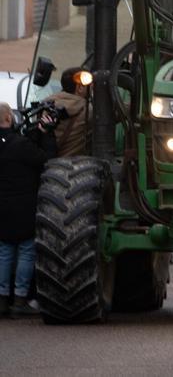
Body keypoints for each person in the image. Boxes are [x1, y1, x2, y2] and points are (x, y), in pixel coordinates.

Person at [0, 102, 54, 317]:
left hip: (1, 205)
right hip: (23, 205)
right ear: (8, 119)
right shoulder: (20, 144)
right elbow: (45, 161)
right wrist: (46, 135)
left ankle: (2, 300)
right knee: (25, 250)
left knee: (3, 252)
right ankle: (20, 299)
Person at [43, 67, 90, 157]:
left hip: (48, 166)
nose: (93, 88)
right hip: (72, 167)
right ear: (80, 88)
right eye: (91, 85)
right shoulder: (88, 111)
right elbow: (121, 110)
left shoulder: (47, 104)